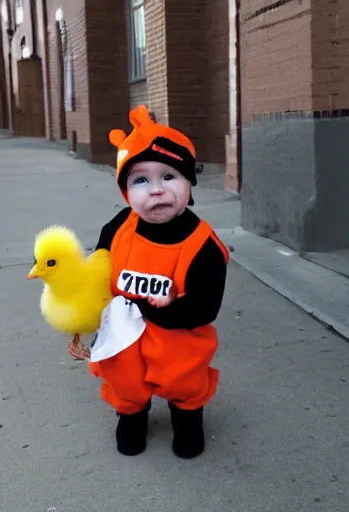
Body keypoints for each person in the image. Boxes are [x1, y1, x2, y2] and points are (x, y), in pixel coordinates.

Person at [83, 105, 229, 459]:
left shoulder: (202, 245)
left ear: (188, 183)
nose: (156, 190)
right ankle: (131, 415)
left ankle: (188, 418)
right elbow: (98, 272)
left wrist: (171, 310)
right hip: (124, 334)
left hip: (177, 333)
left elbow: (206, 306)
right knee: (124, 379)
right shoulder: (118, 228)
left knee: (184, 379)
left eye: (169, 176)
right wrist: (82, 305)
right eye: (140, 180)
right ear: (127, 193)